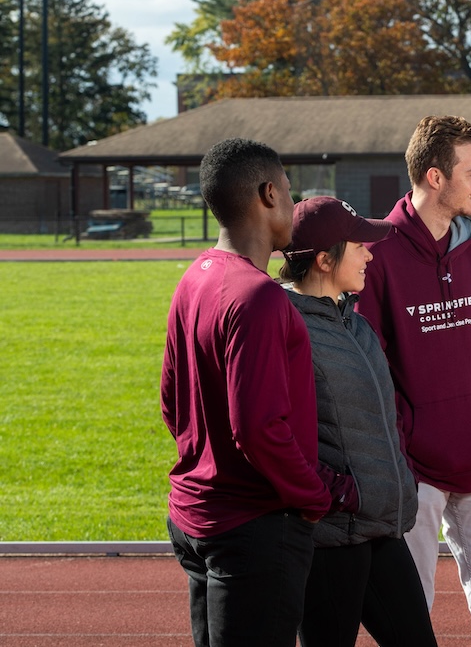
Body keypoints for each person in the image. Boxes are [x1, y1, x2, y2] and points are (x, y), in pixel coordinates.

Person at [356, 115, 471, 646]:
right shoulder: (377, 253)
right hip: (416, 471)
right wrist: (408, 436)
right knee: (410, 619)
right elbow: (370, 361)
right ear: (436, 177)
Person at [160, 138, 332, 647]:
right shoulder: (258, 296)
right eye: (289, 189)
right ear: (267, 194)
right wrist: (313, 496)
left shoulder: (195, 276)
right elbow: (258, 427)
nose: (294, 202)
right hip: (253, 525)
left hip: (196, 515)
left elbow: (172, 400)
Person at [278, 196, 437, 647]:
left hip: (380, 527)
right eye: (359, 246)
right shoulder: (287, 329)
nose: (371, 253)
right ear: (325, 260)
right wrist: (339, 493)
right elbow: (275, 434)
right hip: (330, 539)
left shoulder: (356, 324)